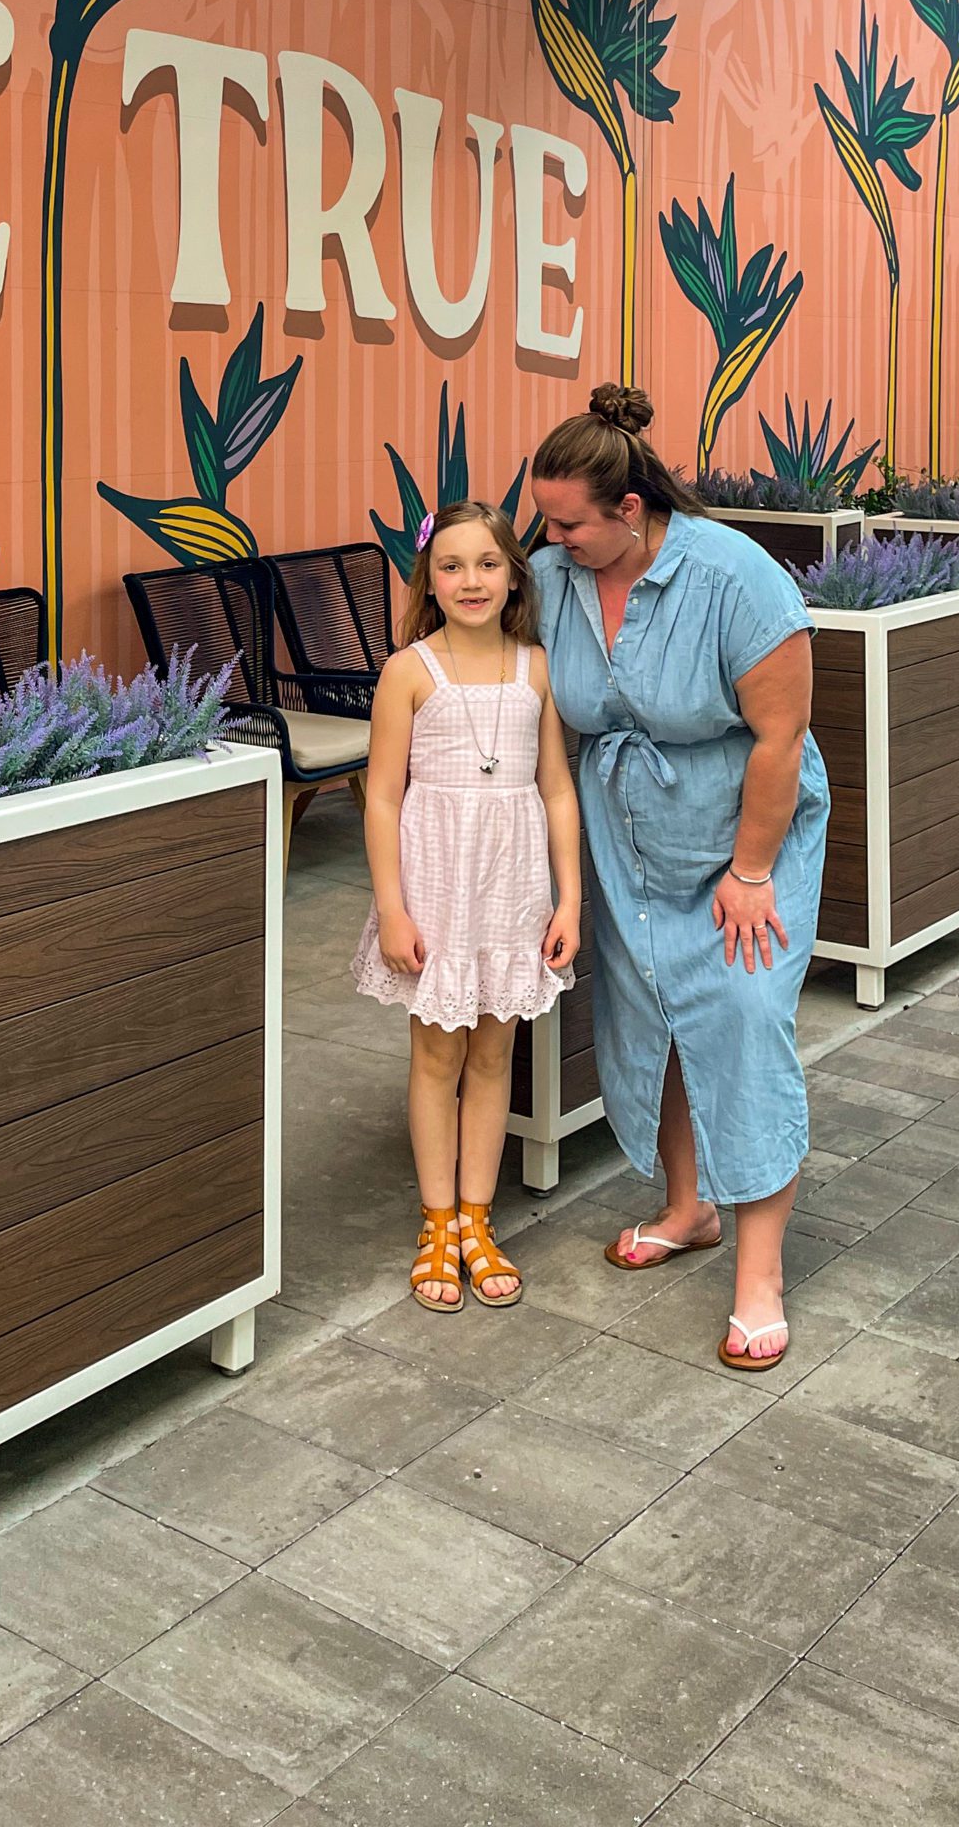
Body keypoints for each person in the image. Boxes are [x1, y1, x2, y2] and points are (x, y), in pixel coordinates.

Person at [529, 384, 827, 1369]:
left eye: (570, 522)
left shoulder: (737, 580)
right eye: (545, 520)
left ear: (630, 510)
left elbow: (781, 740)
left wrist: (750, 872)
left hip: (745, 834)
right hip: (626, 839)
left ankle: (759, 1272)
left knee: (741, 1017)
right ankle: (689, 1206)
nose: (554, 537)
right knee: (654, 1012)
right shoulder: (553, 576)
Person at [351, 500, 582, 1312]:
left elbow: (556, 788)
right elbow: (381, 797)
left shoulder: (536, 668)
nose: (470, 580)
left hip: (514, 888)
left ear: (513, 572)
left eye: (486, 563)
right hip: (437, 887)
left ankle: (480, 1221)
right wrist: (393, 908)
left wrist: (569, 900)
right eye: (451, 566)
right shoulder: (408, 672)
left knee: (494, 1058)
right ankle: (437, 1221)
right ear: (429, 579)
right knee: (436, 1058)